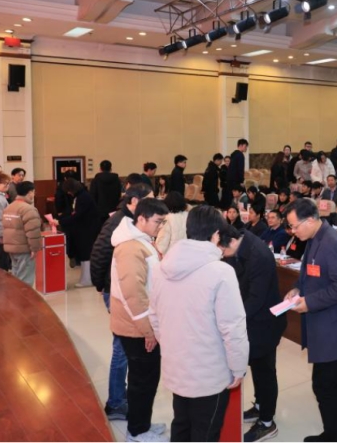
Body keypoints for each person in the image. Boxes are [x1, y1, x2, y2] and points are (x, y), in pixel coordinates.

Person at [148, 206, 248, 443]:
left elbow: (154, 316)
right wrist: (238, 367)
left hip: (176, 366)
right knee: (206, 431)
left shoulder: (162, 268)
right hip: (209, 372)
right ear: (216, 234)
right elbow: (232, 327)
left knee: (181, 425)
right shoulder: (221, 272)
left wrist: (173, 344)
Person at [284, 199, 337, 442]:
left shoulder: (332, 244)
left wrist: (310, 302)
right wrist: (297, 288)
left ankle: (334, 436)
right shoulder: (314, 238)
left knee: (327, 384)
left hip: (334, 325)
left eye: (295, 226)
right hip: (322, 323)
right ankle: (332, 433)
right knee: (324, 382)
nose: (293, 231)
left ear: (310, 220)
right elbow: (309, 274)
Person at [90, 183, 154, 422]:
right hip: (118, 291)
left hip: (121, 288)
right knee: (123, 348)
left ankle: (119, 398)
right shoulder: (118, 222)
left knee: (124, 347)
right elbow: (99, 254)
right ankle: (116, 402)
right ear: (134, 201)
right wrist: (102, 285)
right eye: (148, 199)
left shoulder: (130, 220)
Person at [216, 223, 286, 443]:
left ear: (231, 242)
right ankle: (259, 405)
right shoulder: (238, 247)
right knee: (256, 366)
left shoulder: (259, 256)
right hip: (250, 321)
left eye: (221, 250)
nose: (221, 255)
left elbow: (255, 300)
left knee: (265, 370)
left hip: (265, 323)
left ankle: (267, 422)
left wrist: (230, 318)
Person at [109, 198, 170, 442]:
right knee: (142, 379)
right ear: (141, 219)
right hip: (136, 327)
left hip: (143, 324)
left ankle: (142, 423)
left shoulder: (142, 240)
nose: (160, 226)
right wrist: (148, 330)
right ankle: (136, 432)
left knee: (147, 377)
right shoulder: (130, 248)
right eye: (158, 221)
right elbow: (133, 294)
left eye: (163, 222)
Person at [2, 181, 42, 285]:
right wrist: (34, 248)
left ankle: (15, 295)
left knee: (16, 276)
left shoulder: (9, 207)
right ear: (30, 192)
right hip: (24, 249)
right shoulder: (28, 210)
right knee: (25, 280)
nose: (34, 195)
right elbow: (33, 232)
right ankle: (23, 296)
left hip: (12, 248)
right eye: (34, 192)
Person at [224, 140, 248, 209]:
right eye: (245, 146)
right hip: (237, 181)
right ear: (241, 145)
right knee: (243, 196)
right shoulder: (240, 155)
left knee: (232, 198)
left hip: (230, 180)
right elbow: (240, 169)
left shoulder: (233, 155)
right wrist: (241, 181)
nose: (246, 148)